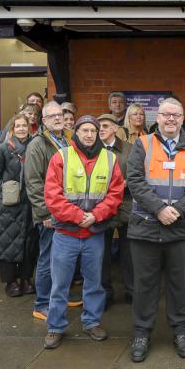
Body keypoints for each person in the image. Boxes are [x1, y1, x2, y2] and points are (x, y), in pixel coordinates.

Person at [126, 97, 185, 362]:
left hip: (180, 229)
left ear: (183, 119)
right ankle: (141, 333)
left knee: (179, 283)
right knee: (144, 285)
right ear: (157, 118)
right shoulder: (142, 144)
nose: (171, 119)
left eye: (176, 115)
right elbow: (135, 181)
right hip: (146, 228)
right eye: (166, 115)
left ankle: (180, 331)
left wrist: (180, 210)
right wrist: (159, 209)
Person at [42, 115, 125, 349]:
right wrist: (80, 217)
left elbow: (115, 194)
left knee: (94, 282)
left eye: (93, 130)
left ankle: (91, 322)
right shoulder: (61, 157)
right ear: (76, 132)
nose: (89, 134)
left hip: (95, 233)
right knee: (60, 284)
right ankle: (55, 327)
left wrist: (96, 216)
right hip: (66, 234)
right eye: (84, 130)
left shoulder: (110, 159)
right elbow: (52, 196)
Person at [25, 101, 73, 319]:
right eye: (52, 116)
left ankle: (60, 296)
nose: (57, 118)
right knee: (48, 258)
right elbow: (33, 182)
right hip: (49, 213)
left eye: (60, 114)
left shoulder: (67, 139)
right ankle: (42, 303)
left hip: (67, 209)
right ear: (43, 121)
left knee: (63, 258)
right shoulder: (37, 144)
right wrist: (45, 213)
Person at [0, 113, 36, 297]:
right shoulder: (3, 149)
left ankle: (25, 278)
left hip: (30, 202)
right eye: (18, 126)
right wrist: (5, 194)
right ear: (12, 129)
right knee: (6, 243)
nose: (22, 129)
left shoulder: (34, 146)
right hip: (9, 204)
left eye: (25, 125)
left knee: (28, 243)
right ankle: (10, 281)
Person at [98, 113, 133, 305]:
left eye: (105, 126)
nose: (101, 129)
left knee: (129, 253)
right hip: (102, 207)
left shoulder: (129, 149)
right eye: (99, 126)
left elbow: (138, 176)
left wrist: (124, 184)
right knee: (101, 254)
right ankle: (105, 293)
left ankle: (132, 291)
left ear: (115, 128)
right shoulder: (93, 150)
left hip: (126, 205)